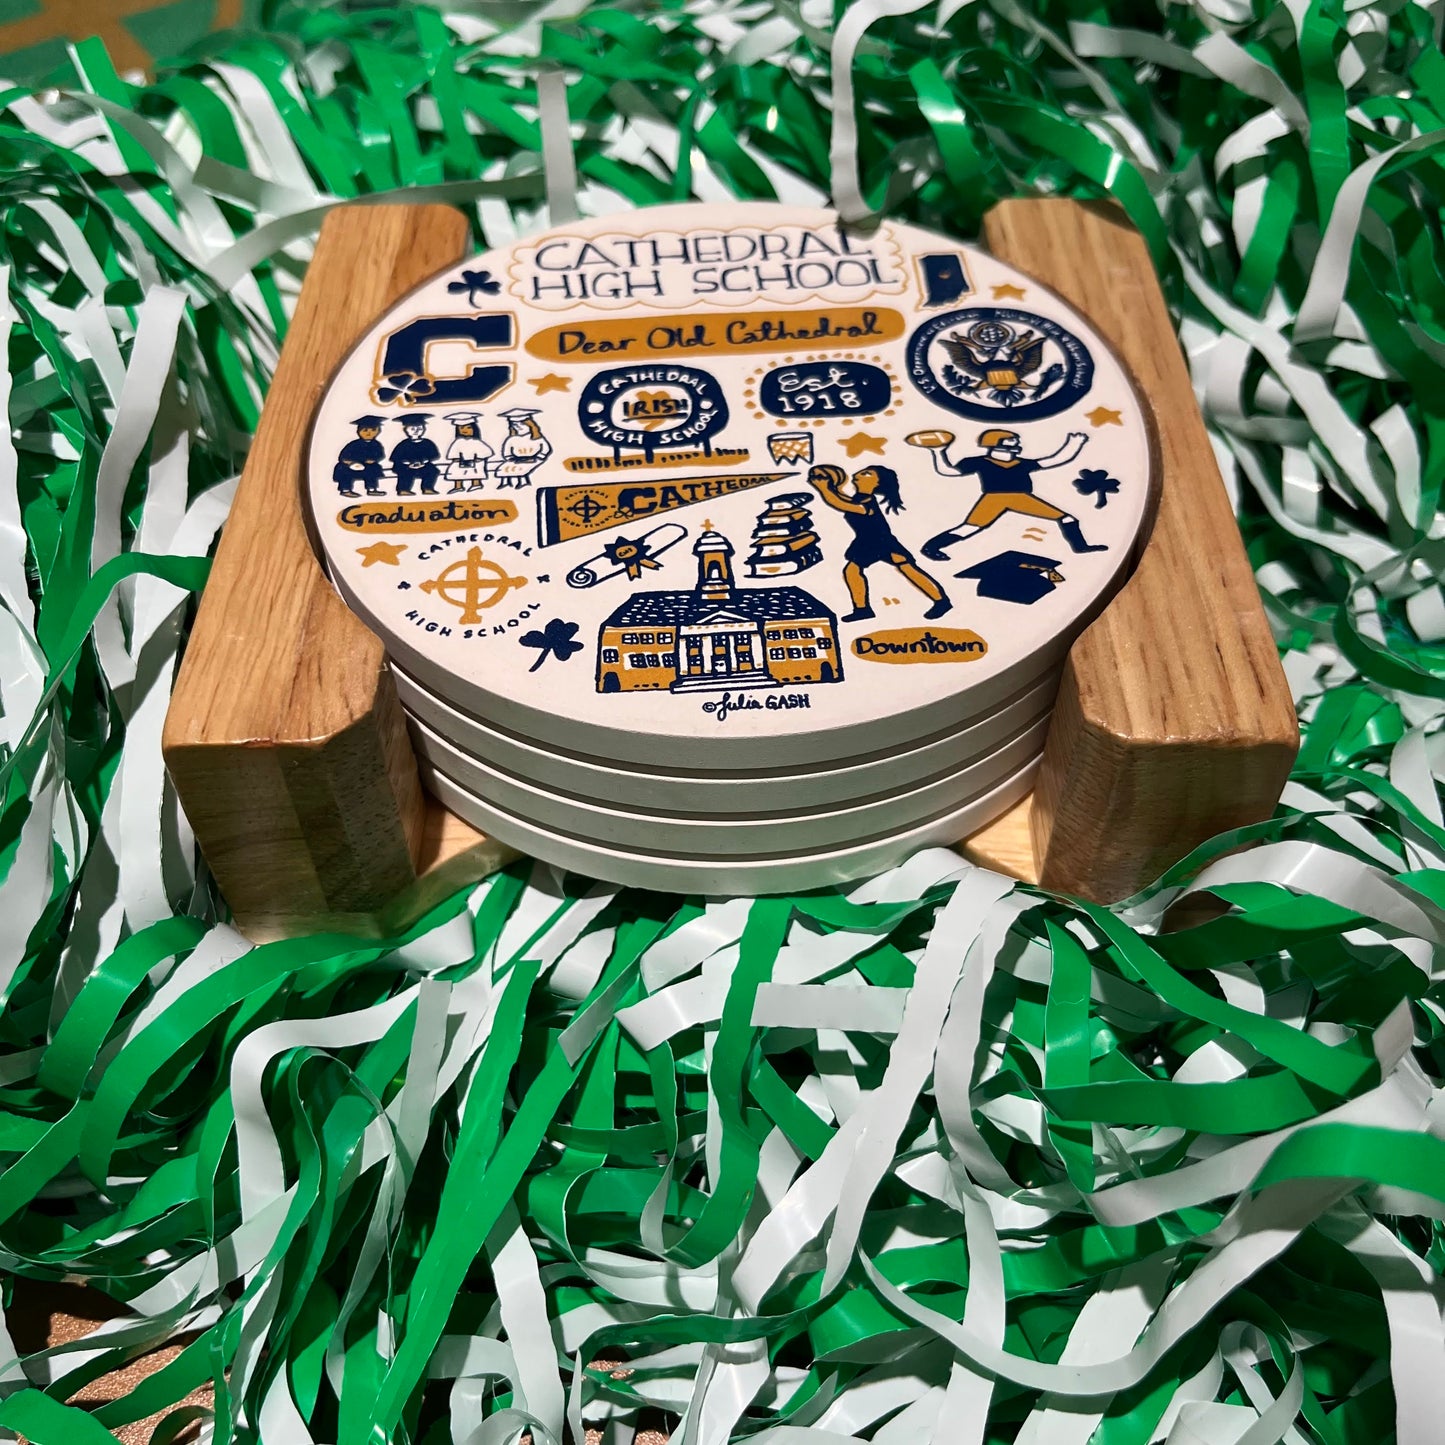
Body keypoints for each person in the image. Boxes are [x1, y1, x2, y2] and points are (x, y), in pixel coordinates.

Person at [909, 428, 1106, 560]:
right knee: (969, 528)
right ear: (996, 443)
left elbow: (1054, 460)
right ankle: (931, 547)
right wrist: (939, 451)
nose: (1017, 443)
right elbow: (948, 471)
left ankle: (1080, 547)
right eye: (1012, 440)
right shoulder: (979, 462)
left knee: (1067, 518)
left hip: (1021, 498)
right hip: (994, 499)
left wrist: (1075, 444)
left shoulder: (1021, 463)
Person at [807, 463, 951, 622]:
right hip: (869, 540)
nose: (860, 473)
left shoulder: (867, 502)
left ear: (876, 483)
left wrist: (824, 489)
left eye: (867, 474)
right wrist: (832, 488)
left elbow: (840, 504)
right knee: (859, 570)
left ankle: (940, 601)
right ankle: (863, 609)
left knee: (901, 569)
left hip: (877, 540)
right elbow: (842, 499)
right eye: (862, 471)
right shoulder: (860, 498)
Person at [333, 415, 386, 497]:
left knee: (373, 469)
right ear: (359, 431)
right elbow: (343, 456)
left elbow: (380, 455)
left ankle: (371, 489)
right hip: (351, 466)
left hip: (367, 467)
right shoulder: (353, 444)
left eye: (373, 430)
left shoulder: (376, 444)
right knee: (342, 469)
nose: (369, 433)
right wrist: (349, 462)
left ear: (378, 431)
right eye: (365, 430)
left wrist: (373, 460)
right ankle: (345, 490)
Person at [389, 414, 440, 496]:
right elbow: (396, 458)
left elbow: (433, 455)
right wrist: (408, 463)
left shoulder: (427, 443)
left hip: (422, 465)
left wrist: (424, 461)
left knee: (432, 470)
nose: (416, 431)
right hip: (406, 466)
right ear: (406, 430)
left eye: (420, 429)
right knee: (405, 472)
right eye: (412, 429)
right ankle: (403, 489)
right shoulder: (403, 444)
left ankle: (427, 488)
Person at [442, 412, 492, 492]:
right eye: (461, 428)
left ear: (474, 429)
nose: (465, 430)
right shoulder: (458, 442)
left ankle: (476, 484)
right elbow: (453, 453)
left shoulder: (476, 441)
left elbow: (486, 452)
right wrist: (457, 459)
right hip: (461, 462)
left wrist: (478, 458)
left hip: (475, 461)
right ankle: (458, 486)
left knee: (477, 468)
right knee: (455, 468)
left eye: (468, 428)